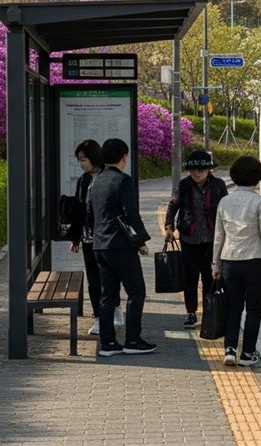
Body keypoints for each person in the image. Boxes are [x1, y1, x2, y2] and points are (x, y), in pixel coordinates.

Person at [88, 138, 156, 357]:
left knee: (108, 295)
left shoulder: (96, 181)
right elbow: (130, 214)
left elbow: (90, 213)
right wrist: (141, 241)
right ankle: (132, 340)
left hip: (100, 246)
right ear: (124, 157)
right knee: (136, 291)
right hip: (120, 246)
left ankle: (107, 343)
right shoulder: (123, 181)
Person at [211, 156, 261, 367]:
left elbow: (219, 236)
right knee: (254, 309)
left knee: (233, 307)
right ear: (257, 177)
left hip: (230, 260)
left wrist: (216, 264)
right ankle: (248, 353)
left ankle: (229, 350)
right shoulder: (259, 201)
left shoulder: (225, 201)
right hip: (255, 261)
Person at [164, 150, 229, 328]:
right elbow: (173, 205)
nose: (196, 173)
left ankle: (210, 313)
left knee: (210, 277)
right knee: (190, 278)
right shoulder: (184, 185)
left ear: (209, 170)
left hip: (212, 240)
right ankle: (191, 313)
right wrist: (169, 226)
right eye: (193, 170)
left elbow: (226, 209)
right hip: (189, 238)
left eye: (200, 170)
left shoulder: (218, 185)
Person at [66, 139, 105, 336]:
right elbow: (79, 210)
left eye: (84, 159)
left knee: (109, 278)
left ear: (94, 157)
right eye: (79, 160)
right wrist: (75, 239)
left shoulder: (109, 176)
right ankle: (98, 317)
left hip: (107, 238)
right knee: (94, 279)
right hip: (89, 238)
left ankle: (112, 311)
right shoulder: (83, 180)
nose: (81, 164)